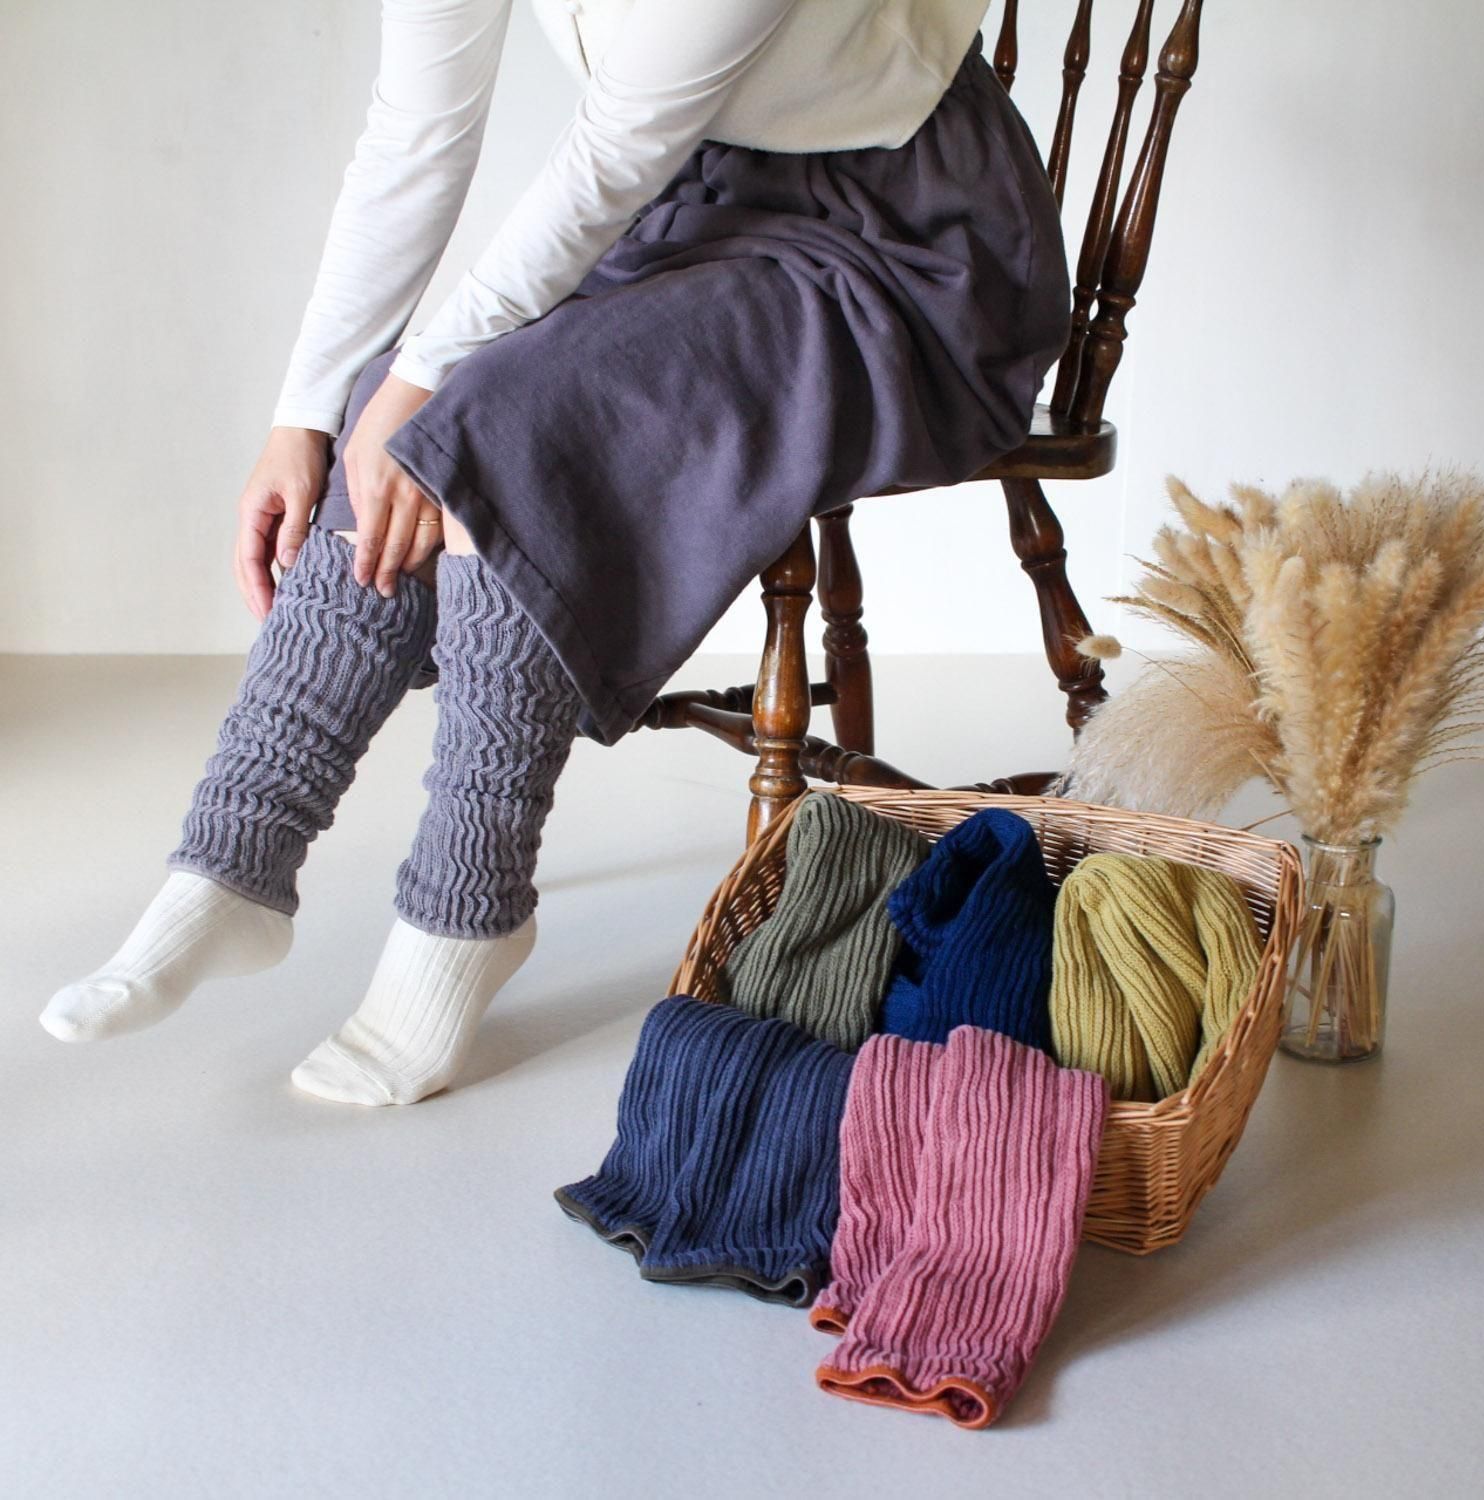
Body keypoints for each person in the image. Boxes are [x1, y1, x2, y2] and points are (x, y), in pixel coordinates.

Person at [39, 0, 1071, 1105]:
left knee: (487, 423)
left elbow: (619, 142)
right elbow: (416, 133)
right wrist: (305, 415)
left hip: (910, 248)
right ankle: (236, 852)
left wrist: (417, 389)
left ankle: (467, 906)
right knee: (390, 400)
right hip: (704, 203)